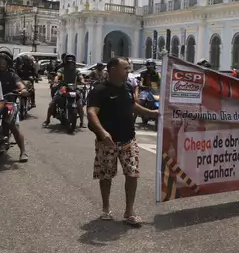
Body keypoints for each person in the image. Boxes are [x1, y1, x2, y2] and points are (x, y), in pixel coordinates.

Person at [86, 57, 159, 226]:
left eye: (128, 68)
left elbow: (132, 106)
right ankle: (106, 209)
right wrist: (102, 132)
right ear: (112, 69)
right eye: (125, 68)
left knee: (133, 173)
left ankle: (129, 211)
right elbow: (91, 112)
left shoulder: (127, 87)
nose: (128, 71)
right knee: (106, 175)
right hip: (107, 142)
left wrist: (152, 113)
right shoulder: (99, 89)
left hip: (128, 140)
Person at [0, 52, 29, 161]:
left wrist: (23, 90)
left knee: (12, 124)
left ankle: (23, 152)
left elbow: (20, 85)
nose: (1, 64)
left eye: (3, 62)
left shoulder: (12, 75)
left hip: (9, 103)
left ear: (7, 63)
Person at [45, 54, 85, 127]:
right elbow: (58, 76)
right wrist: (56, 81)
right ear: (65, 63)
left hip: (74, 88)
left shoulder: (76, 71)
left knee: (79, 104)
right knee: (52, 103)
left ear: (74, 63)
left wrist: (83, 81)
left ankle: (82, 122)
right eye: (68, 63)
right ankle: (47, 120)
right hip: (63, 88)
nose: (70, 65)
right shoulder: (61, 70)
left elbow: (81, 77)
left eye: (72, 63)